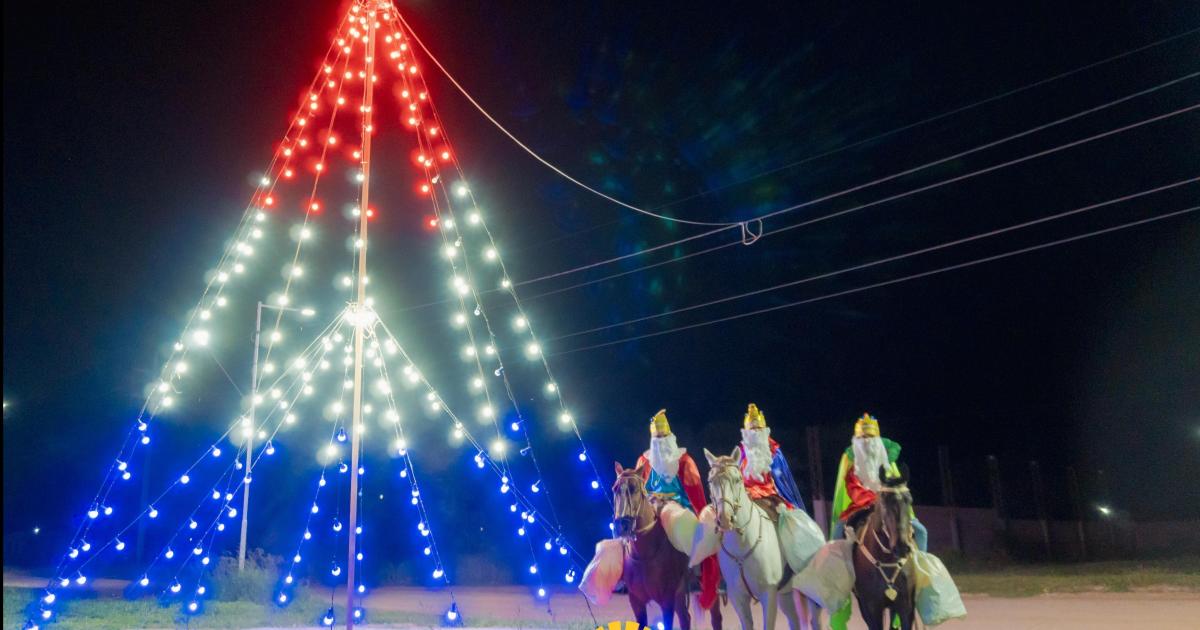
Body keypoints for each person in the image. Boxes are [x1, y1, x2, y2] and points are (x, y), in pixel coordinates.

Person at [828, 413, 928, 630]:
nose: (867, 443)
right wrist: (870, 501)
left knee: (920, 531)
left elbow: (897, 484)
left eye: (870, 438)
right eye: (862, 439)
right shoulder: (850, 459)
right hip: (859, 506)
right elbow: (848, 486)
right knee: (837, 536)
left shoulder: (887, 457)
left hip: (890, 505)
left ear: (877, 439)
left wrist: (889, 497)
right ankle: (840, 587)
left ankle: (922, 579)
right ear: (856, 441)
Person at [635, 409, 719, 610]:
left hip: (678, 504)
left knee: (680, 522)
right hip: (652, 505)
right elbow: (641, 489)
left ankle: (694, 566)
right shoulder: (644, 460)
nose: (661, 440)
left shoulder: (683, 460)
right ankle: (633, 573)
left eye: (664, 436)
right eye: (657, 437)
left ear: (670, 436)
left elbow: (694, 489)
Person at [736, 403, 806, 517]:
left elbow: (781, 478)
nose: (755, 432)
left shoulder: (774, 452)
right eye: (752, 429)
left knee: (786, 516)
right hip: (746, 494)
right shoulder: (741, 453)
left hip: (771, 493)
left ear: (764, 430)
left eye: (758, 429)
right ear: (746, 433)